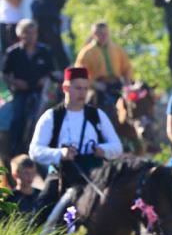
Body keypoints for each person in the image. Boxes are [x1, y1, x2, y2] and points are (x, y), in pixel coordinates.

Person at [29, 67, 123, 218]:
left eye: (85, 88)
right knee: (41, 209)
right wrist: (60, 153)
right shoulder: (51, 116)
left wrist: (103, 149)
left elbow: (117, 147)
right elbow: (34, 151)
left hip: (95, 175)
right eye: (78, 88)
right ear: (66, 88)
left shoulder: (97, 115)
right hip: (61, 174)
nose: (82, 93)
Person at [3, 19, 54, 158]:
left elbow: (51, 72)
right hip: (20, 92)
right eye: (27, 33)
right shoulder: (13, 53)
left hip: (40, 92)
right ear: (20, 34)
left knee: (42, 119)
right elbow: (5, 74)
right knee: (16, 118)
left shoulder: (45, 51)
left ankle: (40, 150)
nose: (30, 36)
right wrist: (15, 82)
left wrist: (44, 80)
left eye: (33, 33)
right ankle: (14, 151)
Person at [74, 22, 133, 118]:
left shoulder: (117, 49)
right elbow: (79, 74)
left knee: (134, 107)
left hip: (117, 85)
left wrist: (127, 84)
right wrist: (94, 84)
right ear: (94, 34)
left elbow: (127, 68)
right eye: (100, 34)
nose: (103, 36)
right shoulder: (87, 52)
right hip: (98, 88)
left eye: (105, 33)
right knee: (89, 110)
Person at [8, 154, 43, 222]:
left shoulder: (41, 195)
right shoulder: (10, 199)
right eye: (26, 173)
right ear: (15, 175)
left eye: (33, 172)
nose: (30, 176)